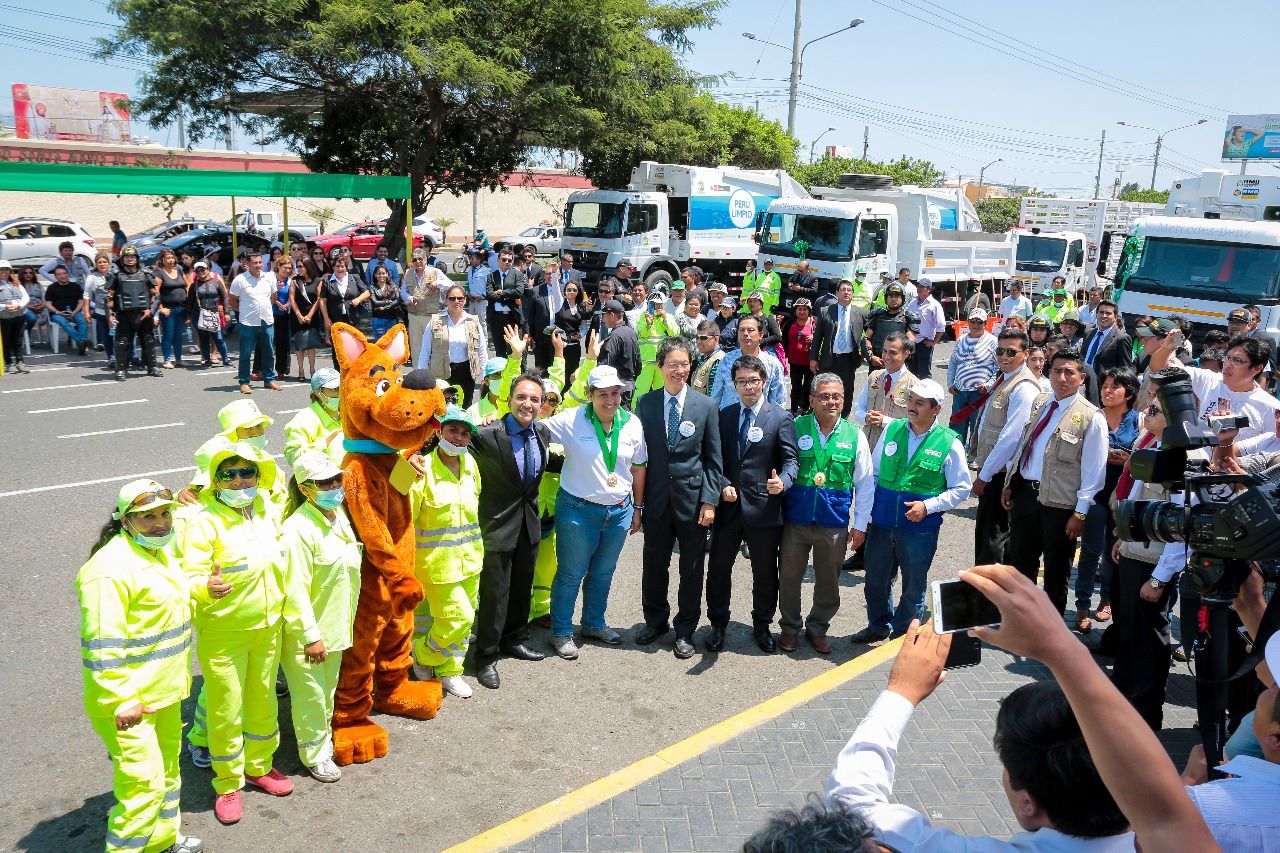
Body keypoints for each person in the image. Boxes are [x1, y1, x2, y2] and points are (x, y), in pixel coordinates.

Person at [828, 564, 1221, 852]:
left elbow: (851, 807)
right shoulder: (1186, 834)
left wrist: (901, 690)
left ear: (1028, 805)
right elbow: (1164, 812)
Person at [77, 481, 204, 853]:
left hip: (164, 692)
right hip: (129, 704)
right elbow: (102, 646)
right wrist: (122, 699)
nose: (160, 523)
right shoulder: (108, 571)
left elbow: (170, 599)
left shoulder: (156, 552)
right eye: (147, 517)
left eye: (165, 513)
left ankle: (161, 841)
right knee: (143, 788)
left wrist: (204, 590)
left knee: (167, 773)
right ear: (124, 520)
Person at [179, 439, 293, 824]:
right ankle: (228, 782)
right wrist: (203, 587)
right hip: (224, 632)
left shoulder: (267, 511)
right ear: (215, 481)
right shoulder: (204, 522)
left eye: (248, 473)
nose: (240, 481)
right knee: (226, 707)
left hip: (268, 626)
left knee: (263, 700)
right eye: (229, 475)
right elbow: (187, 574)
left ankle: (259, 766)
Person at [850, 379, 971, 644]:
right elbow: (874, 474)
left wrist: (928, 506)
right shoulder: (892, 429)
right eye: (911, 400)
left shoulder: (949, 443)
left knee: (913, 585)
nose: (911, 407)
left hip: (919, 529)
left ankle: (904, 634)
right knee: (876, 581)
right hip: (882, 522)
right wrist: (865, 517)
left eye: (919, 403)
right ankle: (878, 625)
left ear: (936, 409)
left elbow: (962, 488)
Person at [540, 365, 648, 659]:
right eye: (603, 394)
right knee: (570, 573)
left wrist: (638, 507)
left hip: (619, 511)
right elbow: (535, 428)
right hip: (577, 510)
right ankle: (561, 631)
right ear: (590, 395)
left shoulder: (632, 423)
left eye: (615, 393)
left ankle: (593, 623)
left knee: (603, 572)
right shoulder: (572, 419)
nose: (611, 400)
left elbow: (638, 468)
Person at [1003, 350, 1109, 615]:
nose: (1062, 378)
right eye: (1056, 371)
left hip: (1060, 506)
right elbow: (1024, 446)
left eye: (1069, 372)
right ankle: (1022, 623)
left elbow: (1094, 473)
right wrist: (1010, 482)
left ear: (1081, 378)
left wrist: (1080, 514)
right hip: (1026, 496)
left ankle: (1052, 631)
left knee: (1056, 572)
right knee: (1020, 566)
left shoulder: (1091, 417)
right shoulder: (1041, 402)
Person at [634, 339, 721, 659]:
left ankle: (685, 630)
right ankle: (655, 622)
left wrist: (710, 501)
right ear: (660, 367)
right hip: (656, 500)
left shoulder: (705, 405)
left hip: (693, 503)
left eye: (684, 364)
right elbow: (638, 457)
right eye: (673, 364)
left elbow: (714, 460)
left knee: (692, 569)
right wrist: (637, 503)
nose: (679, 370)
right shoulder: (645, 403)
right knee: (654, 565)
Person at [706, 355, 799, 654]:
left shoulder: (780, 417)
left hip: (764, 508)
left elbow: (791, 460)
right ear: (734, 385)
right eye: (742, 382)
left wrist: (783, 481)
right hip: (729, 508)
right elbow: (714, 459)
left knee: (764, 572)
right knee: (719, 568)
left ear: (764, 382)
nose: (748, 387)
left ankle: (762, 624)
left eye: (754, 381)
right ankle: (718, 623)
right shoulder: (724, 416)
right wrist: (722, 484)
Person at [777, 373, 874, 653]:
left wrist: (860, 525)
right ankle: (790, 627)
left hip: (833, 520)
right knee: (789, 577)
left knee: (828, 580)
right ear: (811, 400)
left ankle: (818, 627)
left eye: (836, 397)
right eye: (824, 396)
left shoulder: (855, 435)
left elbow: (865, 484)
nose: (831, 402)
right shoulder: (795, 427)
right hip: (796, 518)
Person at [279, 451, 360, 783]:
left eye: (336, 479)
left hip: (336, 624)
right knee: (311, 696)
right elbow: (294, 590)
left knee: (326, 691)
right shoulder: (296, 530)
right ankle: (315, 754)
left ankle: (322, 741)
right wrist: (310, 637)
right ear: (305, 488)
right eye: (324, 483)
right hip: (309, 634)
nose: (334, 487)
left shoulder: (337, 515)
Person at [469, 373, 549, 689]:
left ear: (541, 405)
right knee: (495, 594)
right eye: (521, 397)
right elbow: (446, 438)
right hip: (497, 525)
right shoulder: (488, 434)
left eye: (534, 399)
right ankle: (485, 656)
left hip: (528, 524)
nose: (527, 404)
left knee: (520, 588)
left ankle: (513, 639)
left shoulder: (542, 432)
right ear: (509, 399)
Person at [1107, 403, 1179, 730]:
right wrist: (1123, 537)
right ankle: (1122, 704)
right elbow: (1137, 498)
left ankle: (1147, 715)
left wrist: (1160, 579)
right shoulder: (1151, 444)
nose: (1147, 412)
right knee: (1130, 634)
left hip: (1154, 562)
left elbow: (1180, 529)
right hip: (1134, 550)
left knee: (1149, 640)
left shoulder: (1180, 457)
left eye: (1156, 409)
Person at [408, 406, 483, 699]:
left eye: (464, 433)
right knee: (457, 618)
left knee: (461, 621)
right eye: (452, 430)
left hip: (472, 559)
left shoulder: (471, 465)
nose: (458, 437)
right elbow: (405, 519)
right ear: (439, 431)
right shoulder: (420, 468)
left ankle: (450, 670)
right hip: (437, 565)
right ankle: (423, 655)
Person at [1073, 367, 1139, 632]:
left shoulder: (1139, 420)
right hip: (1095, 495)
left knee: (1114, 553)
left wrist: (1128, 459)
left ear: (1129, 393)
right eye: (1104, 386)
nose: (1107, 391)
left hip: (1122, 498)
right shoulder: (1093, 416)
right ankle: (1082, 605)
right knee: (1090, 551)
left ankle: (1107, 600)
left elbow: (1144, 456)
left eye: (1114, 386)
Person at [970, 329, 1041, 565]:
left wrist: (985, 475)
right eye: (1000, 351)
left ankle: (988, 586)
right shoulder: (1005, 378)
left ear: (1026, 353)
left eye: (1011, 352)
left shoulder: (1023, 387)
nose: (1004, 356)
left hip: (1001, 475)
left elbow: (1011, 438)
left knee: (992, 540)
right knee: (993, 536)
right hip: (994, 470)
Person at [1147, 330, 1280, 443]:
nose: (1228, 365)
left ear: (1257, 368)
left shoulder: (1271, 408)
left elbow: (1272, 450)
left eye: (1238, 361)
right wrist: (1166, 349)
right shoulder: (1208, 379)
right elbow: (1159, 370)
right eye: (1227, 358)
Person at [416, 283, 488, 408]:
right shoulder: (435, 321)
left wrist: (485, 376)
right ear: (446, 300)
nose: (456, 301)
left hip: (466, 372)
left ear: (465, 300)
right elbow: (425, 351)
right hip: (441, 372)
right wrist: (423, 378)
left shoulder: (473, 322)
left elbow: (482, 351)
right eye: (452, 298)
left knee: (465, 408)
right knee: (443, 409)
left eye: (460, 298)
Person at [809, 280, 866, 417]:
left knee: (846, 391)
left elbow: (869, 334)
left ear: (853, 293)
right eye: (843, 289)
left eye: (849, 290)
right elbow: (817, 337)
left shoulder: (861, 313)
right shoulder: (826, 311)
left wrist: (867, 352)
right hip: (829, 358)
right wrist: (813, 358)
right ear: (837, 293)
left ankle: (843, 418)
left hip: (848, 360)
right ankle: (820, 417)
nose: (846, 292)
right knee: (823, 388)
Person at [707, 314, 787, 410]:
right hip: (728, 416)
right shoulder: (726, 360)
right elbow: (716, 393)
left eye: (750, 330)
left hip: (760, 417)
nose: (745, 333)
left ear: (761, 334)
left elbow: (779, 401)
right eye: (741, 330)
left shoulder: (773, 364)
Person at [853, 332, 917, 450]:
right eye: (884, 351)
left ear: (906, 354)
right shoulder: (874, 376)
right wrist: (866, 417)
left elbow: (916, 423)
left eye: (893, 352)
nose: (886, 357)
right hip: (868, 445)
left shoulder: (914, 385)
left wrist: (884, 421)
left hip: (894, 449)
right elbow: (858, 408)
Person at [229, 254, 282, 394]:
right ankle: (244, 382)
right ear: (247, 264)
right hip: (248, 322)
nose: (258, 265)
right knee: (245, 353)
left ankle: (269, 379)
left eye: (260, 262)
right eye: (255, 263)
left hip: (266, 320)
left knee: (268, 352)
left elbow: (273, 297)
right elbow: (232, 301)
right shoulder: (240, 279)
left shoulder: (270, 277)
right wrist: (244, 311)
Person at [946, 308, 998, 445]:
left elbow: (998, 368)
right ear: (968, 322)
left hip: (979, 393)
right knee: (957, 425)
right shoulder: (961, 340)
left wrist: (988, 386)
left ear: (985, 323)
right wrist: (950, 383)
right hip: (960, 391)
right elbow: (953, 363)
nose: (976, 325)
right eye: (973, 321)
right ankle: (956, 450)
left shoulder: (993, 341)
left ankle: (974, 453)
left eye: (979, 322)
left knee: (977, 426)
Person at [107, 247, 160, 379]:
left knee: (148, 341)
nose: (130, 259)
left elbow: (156, 296)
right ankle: (121, 369)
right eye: (127, 257)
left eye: (132, 256)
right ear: (122, 259)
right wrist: (110, 315)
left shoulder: (146, 274)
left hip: (144, 314)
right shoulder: (116, 275)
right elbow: (109, 297)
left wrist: (151, 311)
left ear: (137, 258)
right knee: (122, 342)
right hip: (124, 315)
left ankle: (152, 367)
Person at [283, 368, 344, 468]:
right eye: (334, 389)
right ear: (318, 393)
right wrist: (325, 443)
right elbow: (292, 455)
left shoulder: (347, 414)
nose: (339, 393)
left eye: (341, 387)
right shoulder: (304, 419)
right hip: (325, 477)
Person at [596, 300, 640, 408]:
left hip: (617, 388)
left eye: (604, 315)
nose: (603, 319)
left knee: (617, 417)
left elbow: (605, 365)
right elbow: (638, 363)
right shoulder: (630, 332)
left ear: (612, 315)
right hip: (629, 386)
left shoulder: (615, 336)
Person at [288, 256, 325, 380]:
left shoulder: (318, 280)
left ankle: (312, 369)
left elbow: (319, 299)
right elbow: (292, 298)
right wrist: (298, 315)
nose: (298, 269)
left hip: (312, 316)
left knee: (311, 343)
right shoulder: (295, 281)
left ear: (308, 266)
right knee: (299, 343)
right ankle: (300, 369)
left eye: (300, 266)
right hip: (297, 316)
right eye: (297, 266)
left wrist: (310, 315)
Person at [153, 248, 190, 369]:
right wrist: (161, 308)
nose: (171, 260)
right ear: (162, 260)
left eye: (172, 257)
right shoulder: (159, 272)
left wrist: (189, 299)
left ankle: (178, 359)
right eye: (168, 258)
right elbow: (155, 291)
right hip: (168, 310)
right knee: (168, 335)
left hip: (181, 308)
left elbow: (187, 285)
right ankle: (167, 360)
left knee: (178, 335)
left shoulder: (178, 269)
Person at [189, 262, 231, 369]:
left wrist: (226, 312)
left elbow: (225, 298)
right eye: (197, 271)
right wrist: (188, 317)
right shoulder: (194, 286)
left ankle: (226, 359)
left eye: (202, 269)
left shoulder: (216, 282)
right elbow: (190, 302)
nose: (200, 272)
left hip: (214, 313)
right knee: (203, 338)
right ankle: (207, 360)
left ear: (208, 269)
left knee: (218, 338)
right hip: (199, 314)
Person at [44, 263, 91, 356]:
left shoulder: (76, 286)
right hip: (58, 313)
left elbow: (81, 302)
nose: (63, 276)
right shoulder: (51, 288)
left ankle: (81, 343)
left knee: (83, 321)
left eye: (64, 273)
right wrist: (58, 312)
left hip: (75, 311)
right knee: (64, 322)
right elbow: (48, 304)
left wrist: (75, 312)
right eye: (59, 274)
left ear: (68, 274)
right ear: (56, 276)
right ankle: (81, 341)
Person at [486, 248, 526, 355]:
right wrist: (507, 296)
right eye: (504, 259)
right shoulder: (491, 276)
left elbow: (519, 292)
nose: (507, 262)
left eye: (509, 260)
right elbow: (489, 294)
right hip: (496, 317)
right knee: (500, 351)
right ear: (498, 260)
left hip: (512, 317)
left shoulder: (517, 275)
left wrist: (501, 292)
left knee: (513, 351)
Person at [906, 277, 945, 379]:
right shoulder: (912, 303)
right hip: (911, 343)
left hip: (924, 344)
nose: (919, 288)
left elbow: (941, 327)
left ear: (929, 289)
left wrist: (933, 342)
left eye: (922, 286)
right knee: (911, 374)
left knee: (924, 374)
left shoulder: (934, 305)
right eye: (918, 286)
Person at [783, 298, 815, 414]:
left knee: (808, 387)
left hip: (810, 362)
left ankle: (806, 409)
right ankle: (793, 410)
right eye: (799, 309)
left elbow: (823, 336)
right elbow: (783, 339)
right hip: (794, 361)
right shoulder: (790, 322)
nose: (802, 311)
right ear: (795, 310)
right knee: (795, 387)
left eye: (805, 309)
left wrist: (814, 337)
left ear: (809, 310)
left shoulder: (814, 322)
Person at [1081, 299, 1132, 373]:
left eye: (1108, 313)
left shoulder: (1121, 338)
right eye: (1101, 312)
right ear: (1096, 314)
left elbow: (1125, 368)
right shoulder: (1088, 333)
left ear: (1115, 317)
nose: (1104, 316)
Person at [553, 277, 588, 379]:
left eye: (574, 290)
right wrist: (554, 274)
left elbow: (584, 326)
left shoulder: (581, 306)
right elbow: (555, 288)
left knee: (572, 374)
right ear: (564, 292)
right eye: (569, 290)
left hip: (574, 346)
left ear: (578, 292)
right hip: (560, 344)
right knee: (559, 373)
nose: (571, 292)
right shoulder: (559, 303)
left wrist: (580, 335)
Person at [268, 255, 295, 380]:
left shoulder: (291, 281)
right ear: (278, 266)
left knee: (283, 343)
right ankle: (261, 369)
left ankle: (281, 369)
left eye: (290, 268)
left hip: (284, 315)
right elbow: (264, 294)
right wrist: (276, 301)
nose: (287, 270)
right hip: (270, 313)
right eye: (285, 268)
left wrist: (287, 305)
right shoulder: (270, 278)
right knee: (266, 342)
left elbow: (292, 296)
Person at [0, 260, 30, 373]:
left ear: (10, 271)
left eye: (6, 269)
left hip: (19, 315)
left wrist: (19, 305)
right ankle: (8, 363)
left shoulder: (16, 283)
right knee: (6, 341)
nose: (4, 272)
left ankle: (20, 362)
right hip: (4, 317)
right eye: (1, 269)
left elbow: (26, 297)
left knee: (18, 341)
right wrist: (4, 306)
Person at [84, 253, 113, 361]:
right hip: (101, 312)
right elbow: (87, 295)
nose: (102, 264)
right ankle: (111, 357)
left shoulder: (115, 274)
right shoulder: (91, 277)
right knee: (107, 336)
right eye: (99, 262)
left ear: (108, 263)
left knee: (120, 335)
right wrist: (86, 312)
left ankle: (129, 357)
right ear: (96, 264)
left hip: (116, 311)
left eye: (104, 262)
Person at [367, 263, 404, 342]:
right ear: (375, 275)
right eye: (379, 273)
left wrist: (385, 307)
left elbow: (398, 301)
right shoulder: (372, 287)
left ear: (387, 274)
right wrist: (390, 302)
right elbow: (375, 303)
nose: (381, 275)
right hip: (378, 319)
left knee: (391, 342)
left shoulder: (393, 286)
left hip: (392, 319)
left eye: (383, 273)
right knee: (380, 342)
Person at [691, 318, 725, 396]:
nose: (698, 342)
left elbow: (714, 396)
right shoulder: (704, 358)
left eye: (703, 338)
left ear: (716, 339)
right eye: (697, 337)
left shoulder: (718, 361)